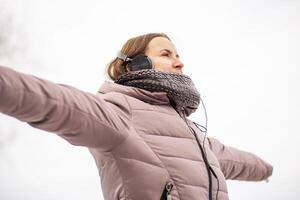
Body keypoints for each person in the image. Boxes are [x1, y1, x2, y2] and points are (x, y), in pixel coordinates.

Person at [0, 32, 272, 200]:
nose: (180, 62)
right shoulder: (120, 111)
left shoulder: (192, 132)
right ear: (136, 63)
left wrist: (267, 171)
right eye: (166, 54)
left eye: (178, 54)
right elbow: (55, 101)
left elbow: (235, 159)